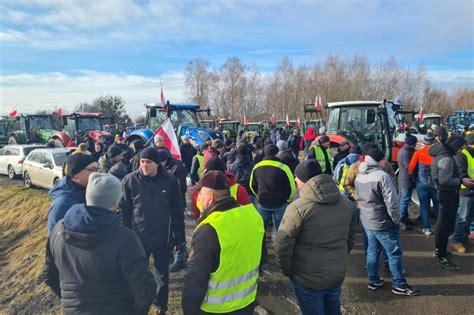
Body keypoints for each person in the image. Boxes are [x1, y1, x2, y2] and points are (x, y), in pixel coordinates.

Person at [44, 173, 156, 314]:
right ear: (116, 201)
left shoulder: (58, 229)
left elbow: (49, 275)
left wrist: (71, 300)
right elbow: (145, 288)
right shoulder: (125, 238)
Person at [275, 160, 357, 315]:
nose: (294, 180)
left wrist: (288, 270)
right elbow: (350, 238)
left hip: (307, 277)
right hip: (336, 273)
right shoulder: (347, 204)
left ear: (303, 180)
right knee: (333, 308)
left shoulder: (297, 208)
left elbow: (283, 245)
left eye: (296, 178)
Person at [182, 171, 265, 314]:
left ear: (210, 197)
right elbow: (262, 257)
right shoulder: (253, 216)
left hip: (216, 309)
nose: (198, 197)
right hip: (247, 302)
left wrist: (189, 310)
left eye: (200, 193)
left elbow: (195, 279)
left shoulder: (209, 229)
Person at [121, 147, 185, 314]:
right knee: (137, 274)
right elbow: (124, 211)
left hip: (162, 237)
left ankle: (160, 305)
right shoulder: (129, 181)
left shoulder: (169, 180)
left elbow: (177, 210)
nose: (144, 165)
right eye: (142, 161)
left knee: (162, 275)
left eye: (148, 162)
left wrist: (179, 237)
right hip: (138, 238)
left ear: (157, 163)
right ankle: (137, 304)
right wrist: (125, 237)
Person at [355, 145, 419, 296]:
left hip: (367, 221)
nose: (385, 162)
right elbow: (392, 202)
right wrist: (396, 219)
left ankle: (373, 280)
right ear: (378, 161)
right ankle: (399, 285)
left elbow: (360, 198)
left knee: (372, 251)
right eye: (383, 159)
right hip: (383, 222)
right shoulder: (383, 176)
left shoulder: (359, 176)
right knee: (394, 253)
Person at [429, 136, 465, 270]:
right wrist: (462, 181)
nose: (461, 150)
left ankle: (440, 250)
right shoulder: (447, 159)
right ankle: (441, 255)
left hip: (446, 194)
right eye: (460, 147)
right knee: (444, 225)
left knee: (443, 224)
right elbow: (444, 180)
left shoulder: (442, 155)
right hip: (448, 195)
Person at [47, 153, 98, 234]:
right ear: (75, 174)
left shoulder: (90, 191)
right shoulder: (62, 203)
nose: (97, 174)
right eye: (92, 169)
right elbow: (54, 237)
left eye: (97, 169)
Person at [250, 144, 296, 230]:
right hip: (280, 203)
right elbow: (292, 187)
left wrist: (258, 195)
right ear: (277, 154)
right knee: (281, 231)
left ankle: (262, 243)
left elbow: (252, 185)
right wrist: (289, 200)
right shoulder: (284, 167)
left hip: (263, 202)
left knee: (261, 229)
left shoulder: (257, 166)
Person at [156, 148, 188, 273]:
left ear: (165, 161)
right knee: (167, 232)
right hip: (164, 206)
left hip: (176, 205)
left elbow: (181, 187)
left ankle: (179, 259)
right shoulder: (162, 169)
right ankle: (168, 255)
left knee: (178, 232)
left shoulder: (177, 168)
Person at [408, 131, 439, 235]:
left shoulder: (418, 153)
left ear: (424, 142)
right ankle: (439, 227)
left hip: (422, 183)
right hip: (435, 183)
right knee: (437, 205)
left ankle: (427, 228)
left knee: (424, 206)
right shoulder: (437, 154)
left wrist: (413, 178)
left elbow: (410, 168)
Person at [451, 133, 474, 254]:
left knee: (469, 217)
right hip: (465, 191)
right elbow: (462, 174)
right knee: (462, 217)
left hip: (472, 190)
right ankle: (456, 241)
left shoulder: (471, 154)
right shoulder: (462, 155)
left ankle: (464, 237)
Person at [398, 134, 418, 227]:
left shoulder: (404, 150)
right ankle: (402, 218)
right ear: (412, 144)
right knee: (405, 200)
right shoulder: (406, 152)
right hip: (407, 180)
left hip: (404, 179)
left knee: (404, 199)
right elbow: (408, 167)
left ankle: (404, 217)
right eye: (415, 143)